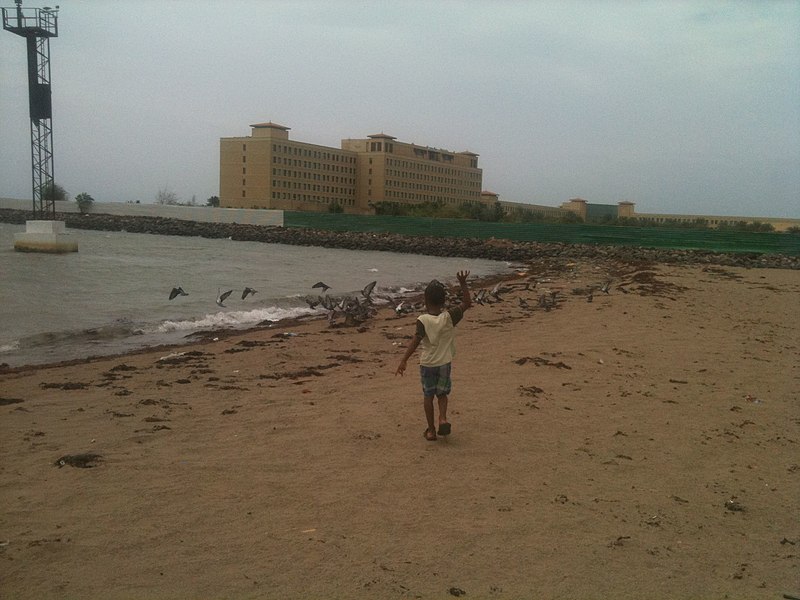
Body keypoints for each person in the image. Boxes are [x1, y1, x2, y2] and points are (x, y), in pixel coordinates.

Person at [396, 270, 472, 441]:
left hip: (428, 364)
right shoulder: (449, 316)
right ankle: (443, 418)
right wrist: (463, 283)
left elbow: (416, 341)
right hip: (444, 363)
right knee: (442, 394)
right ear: (444, 300)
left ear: (425, 300)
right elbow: (467, 303)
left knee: (428, 396)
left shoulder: (423, 320)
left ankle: (430, 431)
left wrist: (403, 360)